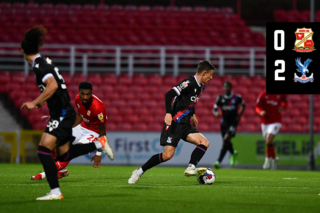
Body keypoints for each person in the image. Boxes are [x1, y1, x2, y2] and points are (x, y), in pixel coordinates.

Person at [20, 25, 113, 200]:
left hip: (61, 113)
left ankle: (54, 190)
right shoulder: (46, 61)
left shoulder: (39, 65)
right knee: (62, 153)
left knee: (43, 151)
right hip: (64, 112)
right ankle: (98, 145)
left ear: (23, 51)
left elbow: (53, 85)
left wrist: (35, 103)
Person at [128, 60, 215, 184]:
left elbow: (190, 101)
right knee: (167, 155)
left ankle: (191, 167)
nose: (211, 78)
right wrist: (168, 113)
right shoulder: (188, 83)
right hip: (174, 123)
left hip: (185, 124)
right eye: (210, 75)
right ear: (204, 73)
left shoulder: (202, 87)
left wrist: (193, 114)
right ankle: (139, 171)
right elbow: (168, 95)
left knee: (204, 142)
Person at [31, 81, 113, 180]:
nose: (85, 97)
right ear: (79, 93)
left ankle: (43, 175)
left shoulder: (97, 107)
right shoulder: (77, 99)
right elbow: (80, 115)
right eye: (83, 94)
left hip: (93, 132)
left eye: (88, 94)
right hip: (82, 127)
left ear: (91, 93)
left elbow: (103, 131)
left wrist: (98, 153)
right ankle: (62, 171)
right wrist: (71, 129)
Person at [213, 81, 245, 169]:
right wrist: (216, 113)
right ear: (223, 88)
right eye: (225, 86)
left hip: (233, 122)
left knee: (226, 139)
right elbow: (214, 109)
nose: (226, 88)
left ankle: (218, 161)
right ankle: (233, 153)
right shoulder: (220, 98)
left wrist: (239, 115)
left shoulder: (236, 98)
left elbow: (243, 105)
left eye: (228, 86)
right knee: (226, 141)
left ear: (231, 88)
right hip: (224, 122)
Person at [255, 91, 287, 170]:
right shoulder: (263, 95)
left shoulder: (280, 94)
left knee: (268, 140)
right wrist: (260, 112)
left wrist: (283, 107)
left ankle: (267, 160)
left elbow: (285, 101)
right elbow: (257, 107)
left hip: (276, 121)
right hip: (265, 122)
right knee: (268, 142)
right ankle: (275, 158)